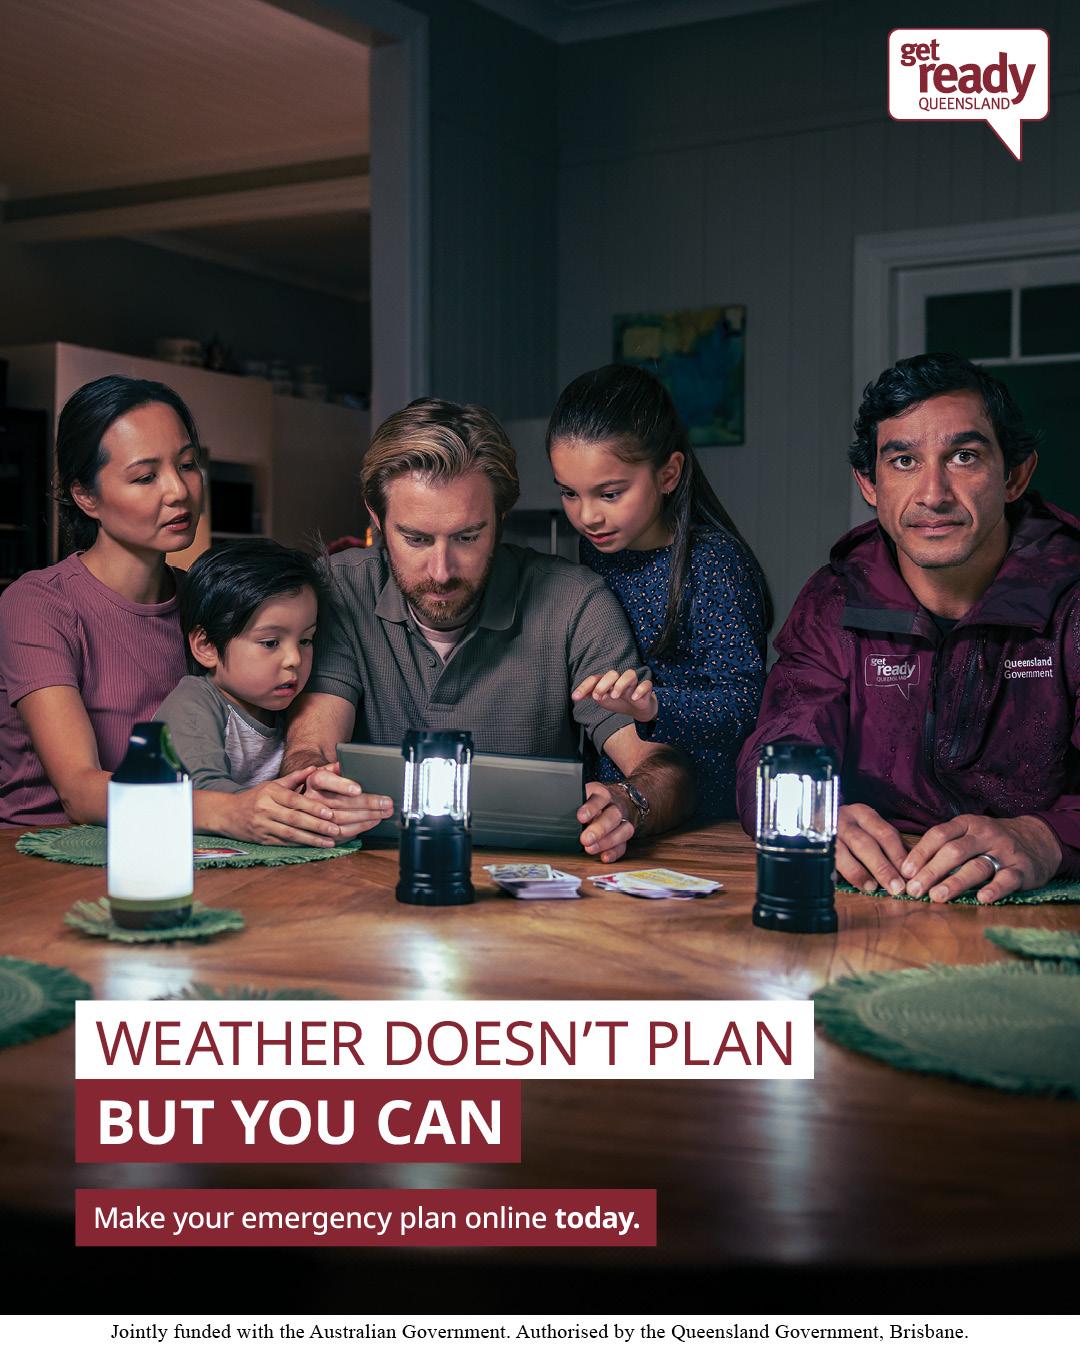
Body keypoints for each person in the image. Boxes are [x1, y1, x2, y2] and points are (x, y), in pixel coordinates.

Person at [283, 397, 696, 863]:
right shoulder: (337, 590)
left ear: (501, 518)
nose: (441, 571)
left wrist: (629, 803)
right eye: (415, 539)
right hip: (366, 879)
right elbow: (312, 746)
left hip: (534, 890)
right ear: (376, 521)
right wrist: (310, 781)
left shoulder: (576, 601)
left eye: (467, 537)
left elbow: (660, 767)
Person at [735, 352, 1080, 903]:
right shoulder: (833, 599)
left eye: (963, 456)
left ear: (1014, 476)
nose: (933, 494)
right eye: (903, 462)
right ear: (869, 484)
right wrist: (809, 816)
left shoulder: (1073, 598)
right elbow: (777, 753)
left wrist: (1048, 838)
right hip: (874, 902)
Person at [0, 376, 340, 846]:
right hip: (46, 854)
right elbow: (78, 791)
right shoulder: (38, 603)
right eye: (145, 477)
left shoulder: (204, 599)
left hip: (175, 843)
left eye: (187, 465)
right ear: (86, 496)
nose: (179, 491)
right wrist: (230, 809)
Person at [545, 363, 769, 820]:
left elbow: (748, 701)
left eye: (609, 494)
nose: (587, 517)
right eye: (570, 493)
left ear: (668, 474)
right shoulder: (599, 552)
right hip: (615, 793)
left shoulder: (712, 563)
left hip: (702, 809)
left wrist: (655, 705)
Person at [154, 539, 327, 793]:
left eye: (305, 640)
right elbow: (200, 792)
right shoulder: (194, 703)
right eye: (270, 643)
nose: (295, 659)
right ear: (207, 647)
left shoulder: (297, 710)